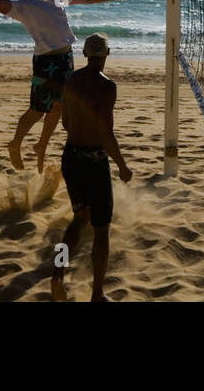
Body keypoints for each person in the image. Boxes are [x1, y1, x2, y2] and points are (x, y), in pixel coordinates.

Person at [0, 0, 137, 171]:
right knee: (38, 110)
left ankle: (41, 146)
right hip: (45, 61)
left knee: (59, 107)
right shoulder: (20, 7)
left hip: (65, 58)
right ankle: (15, 143)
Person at [50, 33, 131, 302]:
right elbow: (106, 133)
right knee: (101, 231)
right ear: (107, 54)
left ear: (85, 54)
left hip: (71, 156)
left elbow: (65, 124)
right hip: (94, 161)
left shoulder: (71, 80)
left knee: (77, 220)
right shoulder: (107, 87)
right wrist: (122, 165)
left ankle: (57, 274)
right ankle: (97, 294)